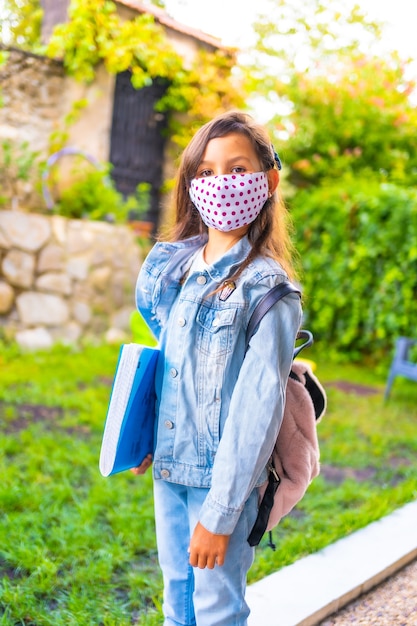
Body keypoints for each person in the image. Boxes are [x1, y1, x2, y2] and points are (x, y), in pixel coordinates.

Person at [131, 110, 302, 626]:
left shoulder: (269, 288)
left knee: (216, 612)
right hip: (170, 469)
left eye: (237, 169)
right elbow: (175, 369)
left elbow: (257, 409)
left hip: (221, 482)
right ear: (190, 183)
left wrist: (221, 514)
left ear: (267, 181)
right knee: (177, 605)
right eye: (206, 172)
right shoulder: (178, 269)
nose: (221, 184)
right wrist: (146, 434)